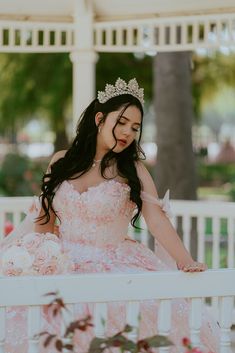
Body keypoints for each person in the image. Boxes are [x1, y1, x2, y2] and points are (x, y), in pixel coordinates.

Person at [0, 78, 219, 353]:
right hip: (64, 263)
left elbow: (155, 218)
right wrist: (35, 259)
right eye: (123, 121)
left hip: (116, 263)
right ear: (100, 118)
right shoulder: (61, 161)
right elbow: (45, 220)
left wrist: (186, 260)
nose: (128, 132)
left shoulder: (132, 169)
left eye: (135, 127)